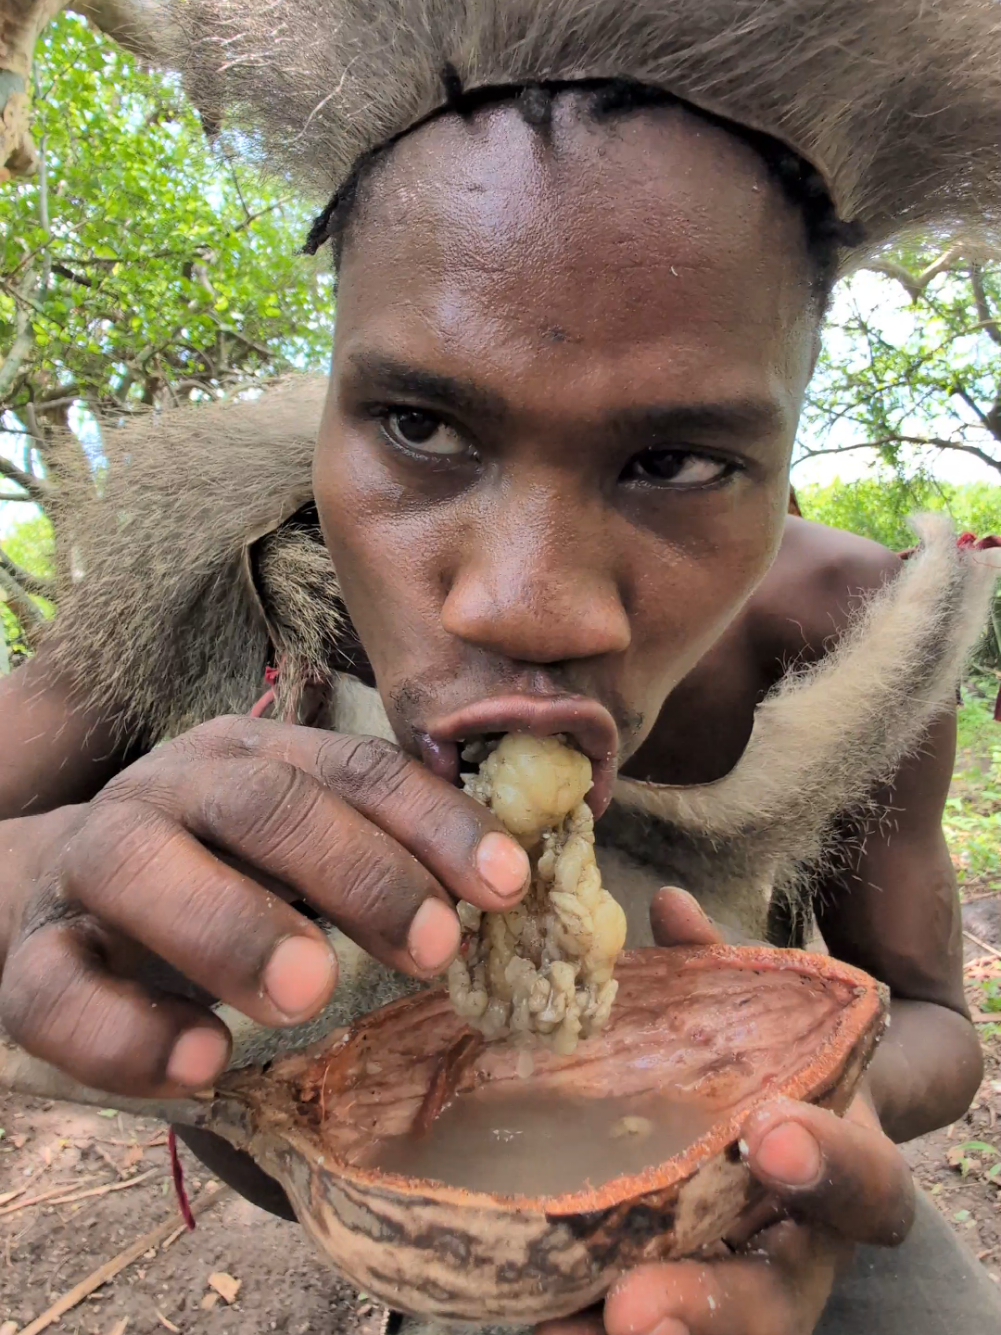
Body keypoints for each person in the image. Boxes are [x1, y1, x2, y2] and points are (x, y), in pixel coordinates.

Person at [3, 2, 1001, 1331]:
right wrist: (34, 879)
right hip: (438, 1257)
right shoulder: (220, 567)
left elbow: (937, 1013)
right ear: (335, 407)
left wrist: (799, 1101)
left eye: (678, 463)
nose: (526, 603)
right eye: (421, 427)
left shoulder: (852, 630)